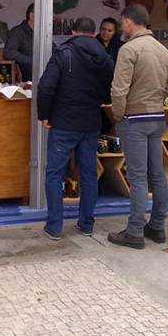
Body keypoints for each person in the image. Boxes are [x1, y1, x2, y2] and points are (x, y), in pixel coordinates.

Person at [36, 17, 115, 241]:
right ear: (94, 33)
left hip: (63, 123)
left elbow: (45, 87)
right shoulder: (105, 58)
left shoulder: (63, 54)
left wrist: (44, 115)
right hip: (91, 123)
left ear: (73, 32)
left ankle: (54, 227)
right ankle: (87, 224)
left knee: (54, 174)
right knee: (89, 174)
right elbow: (110, 91)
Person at [106, 4, 168, 250]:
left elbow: (119, 88)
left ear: (127, 22)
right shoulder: (162, 50)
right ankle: (157, 226)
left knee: (137, 177)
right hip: (157, 117)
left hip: (134, 118)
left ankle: (134, 231)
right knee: (157, 175)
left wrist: (118, 115)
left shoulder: (129, 49)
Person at [4, 3, 34, 81]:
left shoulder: (43, 34)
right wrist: (32, 61)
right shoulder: (17, 32)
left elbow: (54, 51)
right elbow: (8, 53)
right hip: (25, 83)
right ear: (32, 16)